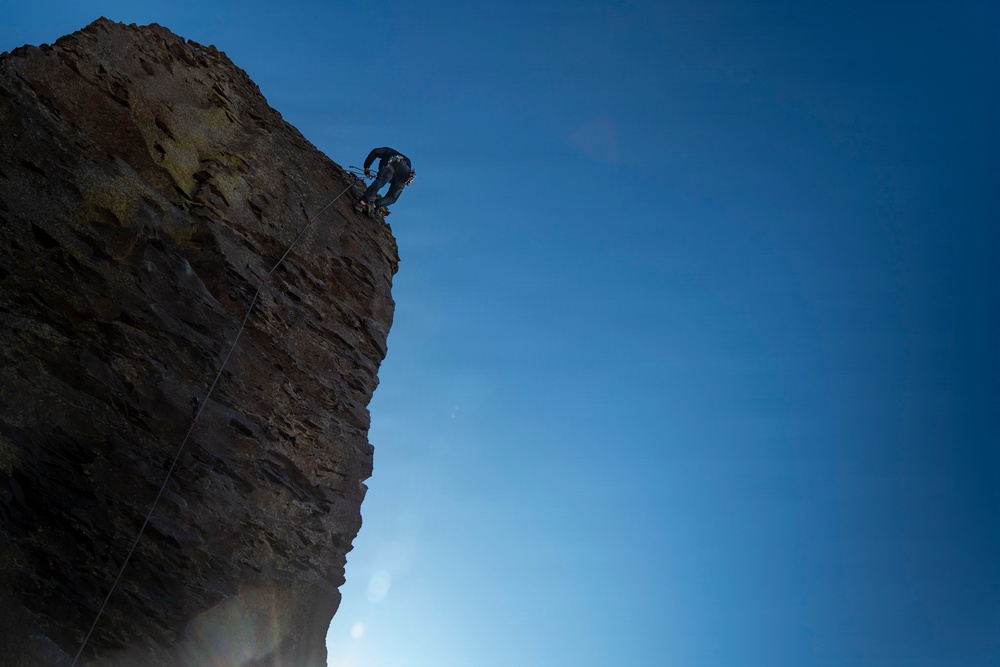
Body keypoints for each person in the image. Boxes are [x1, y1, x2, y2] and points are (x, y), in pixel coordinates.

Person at [355, 147, 415, 216]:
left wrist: (366, 167)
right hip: (406, 175)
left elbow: (375, 151)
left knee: (380, 182)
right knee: (392, 198)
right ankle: (374, 206)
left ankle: (363, 202)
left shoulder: (387, 151)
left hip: (394, 163)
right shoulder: (407, 160)